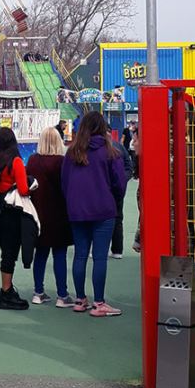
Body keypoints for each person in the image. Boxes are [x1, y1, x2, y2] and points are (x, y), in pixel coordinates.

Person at [61, 111, 129, 317]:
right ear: (103, 128)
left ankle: (80, 300)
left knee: (80, 255)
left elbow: (64, 183)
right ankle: (99, 303)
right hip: (103, 209)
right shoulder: (110, 151)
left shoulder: (71, 152)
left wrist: (72, 202)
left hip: (77, 210)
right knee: (100, 257)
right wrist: (113, 198)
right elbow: (120, 183)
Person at [0, 127, 30, 309]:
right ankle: (6, 291)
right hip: (12, 208)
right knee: (10, 251)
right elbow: (24, 189)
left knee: (6, 249)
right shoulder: (15, 161)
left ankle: (7, 287)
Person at [26, 127, 74, 307]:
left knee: (40, 254)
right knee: (60, 254)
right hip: (59, 214)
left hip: (38, 214)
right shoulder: (62, 162)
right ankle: (62, 295)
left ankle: (38, 292)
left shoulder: (32, 161)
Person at [110, 131, 135, 258]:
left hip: (103, 189)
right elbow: (128, 166)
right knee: (118, 218)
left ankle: (98, 248)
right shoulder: (119, 147)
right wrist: (123, 180)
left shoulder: (91, 148)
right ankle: (117, 250)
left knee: (99, 220)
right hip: (118, 189)